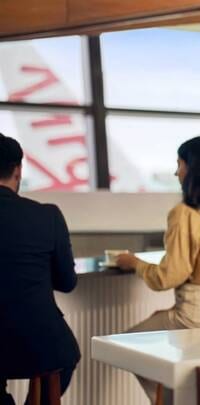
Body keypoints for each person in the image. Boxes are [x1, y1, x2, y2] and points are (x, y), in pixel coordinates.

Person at [116, 136, 200, 402]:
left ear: (193, 169)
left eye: (180, 164)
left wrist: (135, 264)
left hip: (199, 312)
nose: (177, 172)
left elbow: (169, 275)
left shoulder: (184, 214)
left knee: (127, 345)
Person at [0, 134, 80, 405]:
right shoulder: (48, 215)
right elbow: (67, 282)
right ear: (18, 170)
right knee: (65, 358)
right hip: (41, 344)